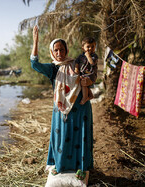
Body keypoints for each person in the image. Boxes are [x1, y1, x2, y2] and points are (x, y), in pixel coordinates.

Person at [30, 26, 94, 185]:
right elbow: (34, 64)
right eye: (56, 50)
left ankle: (81, 167)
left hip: (81, 108)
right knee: (61, 137)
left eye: (62, 49)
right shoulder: (52, 68)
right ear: (52, 52)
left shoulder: (76, 63)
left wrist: (90, 81)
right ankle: (59, 166)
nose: (59, 53)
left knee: (81, 136)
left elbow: (91, 74)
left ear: (66, 50)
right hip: (61, 110)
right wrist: (35, 41)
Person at [75, 37, 98, 105]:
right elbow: (77, 62)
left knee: (83, 83)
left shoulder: (94, 56)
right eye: (88, 47)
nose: (90, 48)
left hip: (91, 75)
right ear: (83, 48)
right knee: (82, 81)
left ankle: (85, 97)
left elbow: (92, 63)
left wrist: (88, 56)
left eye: (92, 46)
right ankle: (90, 95)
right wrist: (76, 69)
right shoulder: (80, 56)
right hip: (83, 74)